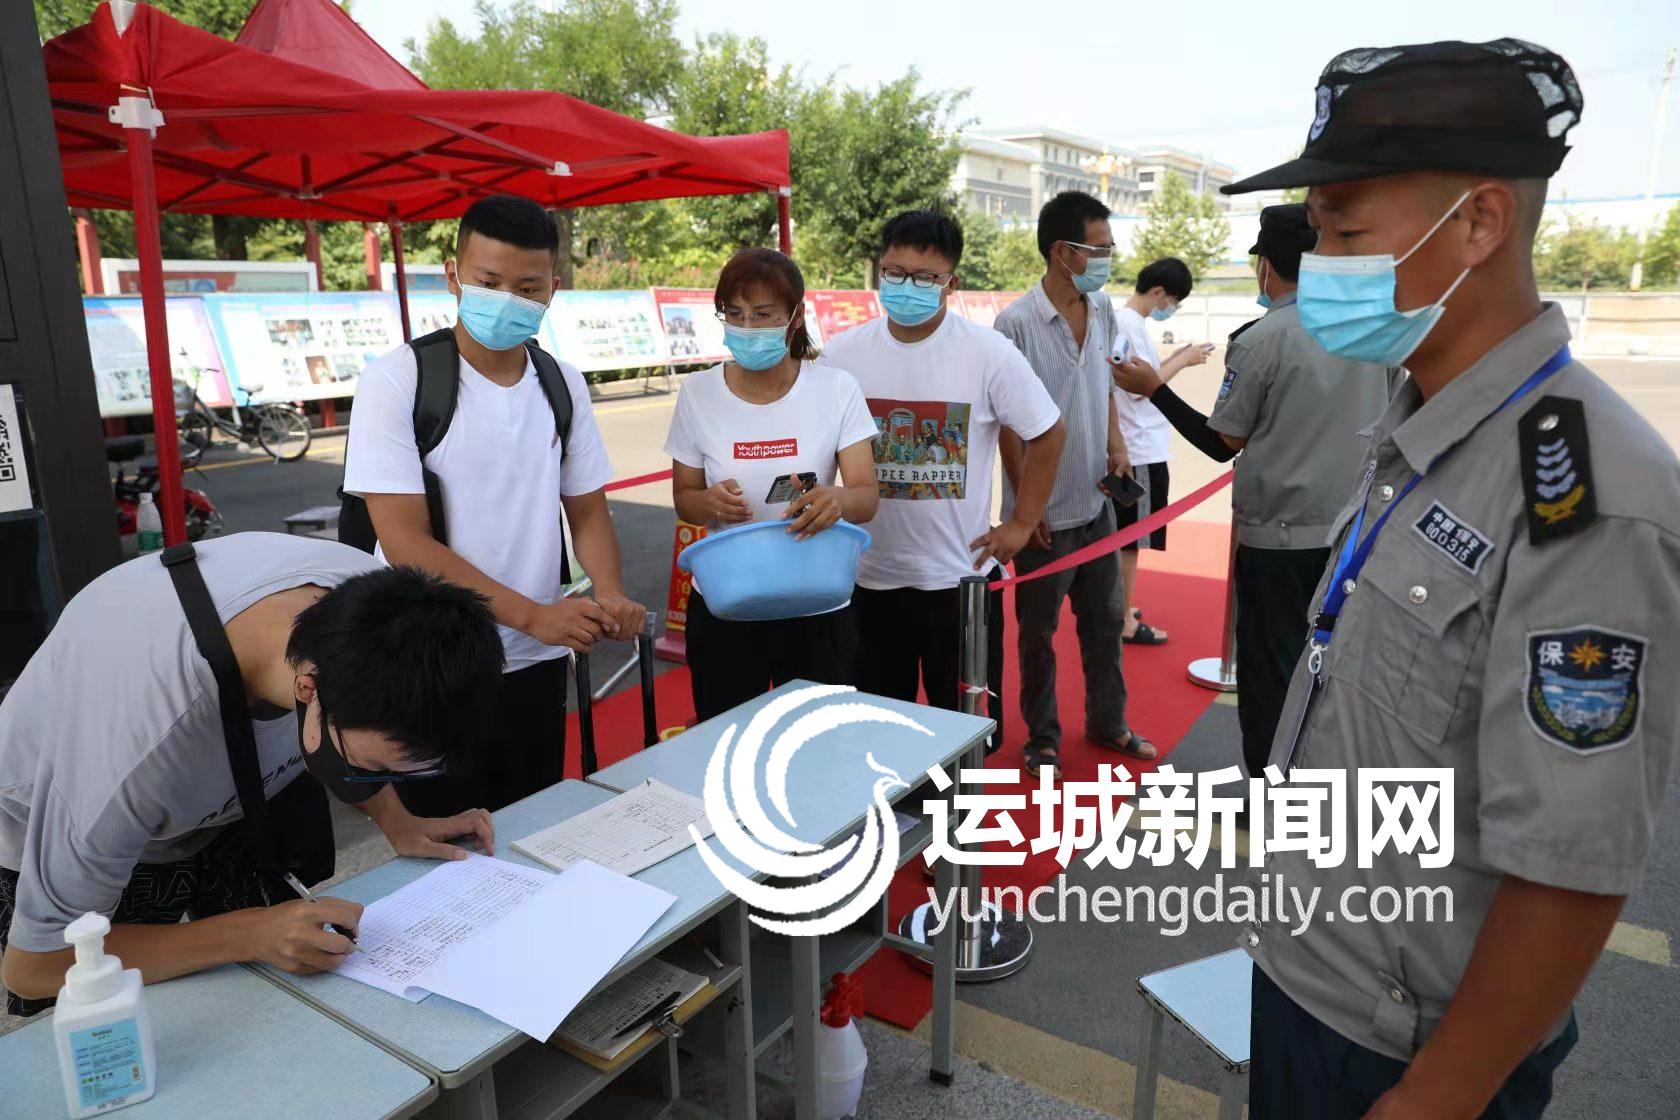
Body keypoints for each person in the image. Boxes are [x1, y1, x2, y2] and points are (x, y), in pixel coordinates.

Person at [1221, 40, 1680, 1118]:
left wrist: (1440, 1095)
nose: (1320, 263)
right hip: (1313, 971)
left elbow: (1569, 861)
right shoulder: (1422, 421)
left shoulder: (1582, 495)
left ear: (1479, 224)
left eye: (1345, 233)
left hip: (1399, 1048)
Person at [0, 533, 504, 1012]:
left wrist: (399, 820)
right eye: (368, 768)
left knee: (286, 964)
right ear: (308, 690)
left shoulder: (386, 614)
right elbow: (36, 967)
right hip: (81, 833)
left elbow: (372, 733)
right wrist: (250, 934)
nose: (375, 779)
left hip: (226, 799)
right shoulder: (134, 753)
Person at [343, 194, 644, 816]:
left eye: (527, 287)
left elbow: (587, 510)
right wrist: (533, 616)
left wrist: (610, 591)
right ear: (453, 275)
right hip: (428, 660)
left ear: (553, 289)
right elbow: (405, 542)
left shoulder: (561, 383)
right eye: (488, 281)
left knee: (532, 825)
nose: (507, 298)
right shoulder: (398, 380)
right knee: (444, 842)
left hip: (535, 660)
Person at [1111, 204, 1399, 786]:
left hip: (1279, 541)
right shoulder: (1375, 334)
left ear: (1266, 266)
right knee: (1334, 670)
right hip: (1355, 536)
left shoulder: (1261, 340)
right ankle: (1322, 788)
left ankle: (1276, 792)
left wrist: (1154, 388)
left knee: (1271, 673)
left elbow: (1222, 443)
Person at [818, 211, 1065, 750]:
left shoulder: (988, 353)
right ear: (879, 270)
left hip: (961, 583)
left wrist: (1022, 522)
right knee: (878, 733)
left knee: (966, 736)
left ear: (951, 283)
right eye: (895, 272)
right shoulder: (841, 354)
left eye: (925, 277)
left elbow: (1048, 432)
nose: (907, 286)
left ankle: (957, 807)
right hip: (868, 580)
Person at [664, 248, 879, 722]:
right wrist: (709, 502)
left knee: (819, 743)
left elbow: (866, 497)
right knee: (728, 744)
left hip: (817, 603)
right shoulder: (698, 393)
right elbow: (685, 498)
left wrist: (837, 500)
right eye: (735, 314)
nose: (747, 327)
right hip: (727, 604)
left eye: (763, 315)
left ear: (796, 317)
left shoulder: (836, 389)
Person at [995, 191, 1155, 778]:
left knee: (1106, 623)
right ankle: (1042, 739)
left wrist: (1118, 446)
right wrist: (1025, 507)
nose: (1109, 258)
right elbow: (1006, 424)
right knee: (1038, 635)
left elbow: (1105, 385)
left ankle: (1108, 721)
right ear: (1062, 252)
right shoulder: (1014, 324)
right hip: (1042, 519)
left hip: (1097, 504)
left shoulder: (1104, 309)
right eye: (1100, 249)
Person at [1110, 257, 1213, 646]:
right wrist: (1182, 361)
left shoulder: (1127, 323)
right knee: (1131, 539)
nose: (1172, 308)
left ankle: (1120, 606)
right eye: (1174, 301)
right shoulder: (1128, 324)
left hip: (1136, 445)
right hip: (1139, 449)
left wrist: (1173, 360)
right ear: (1158, 293)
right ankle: (1123, 618)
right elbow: (1141, 387)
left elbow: (1145, 377)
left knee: (1125, 535)